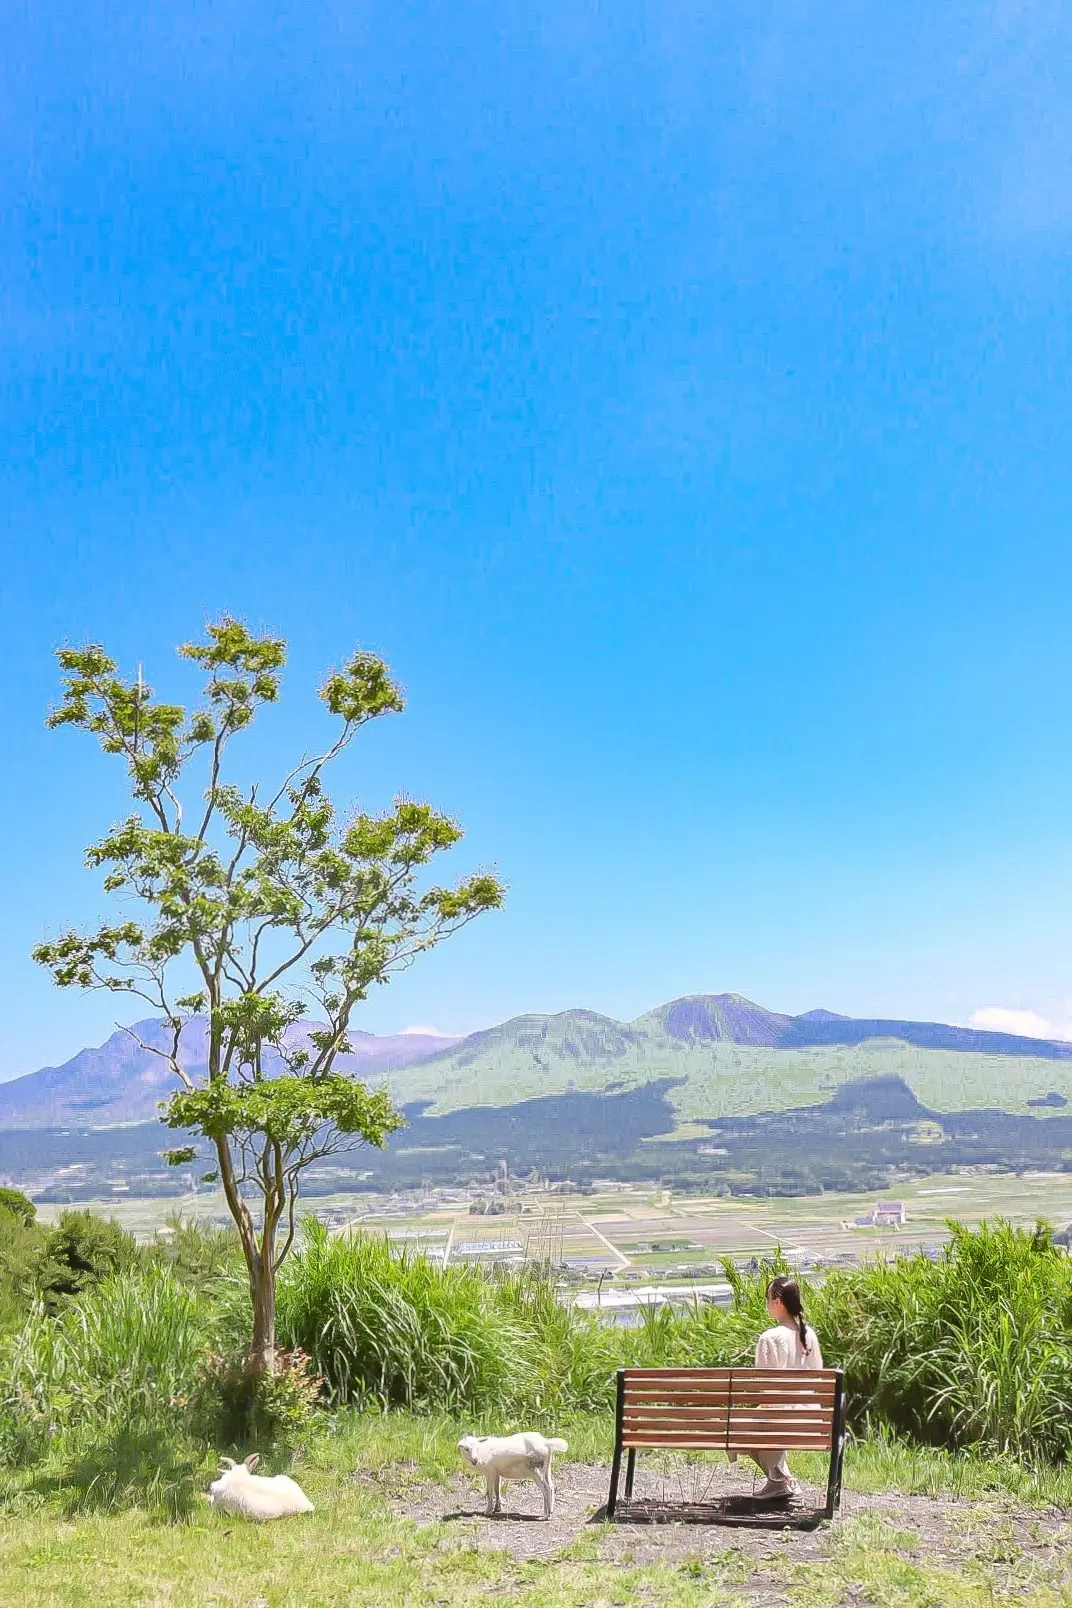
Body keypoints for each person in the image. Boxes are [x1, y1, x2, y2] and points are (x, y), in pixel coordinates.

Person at [746, 1275, 823, 1499]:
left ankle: (779, 1479)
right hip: (812, 1419)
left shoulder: (770, 1338)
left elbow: (766, 1389)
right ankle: (781, 1479)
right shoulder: (809, 1336)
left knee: (741, 1428)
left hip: (781, 1418)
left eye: (768, 1299)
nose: (767, 1304)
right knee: (765, 1417)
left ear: (778, 1302)